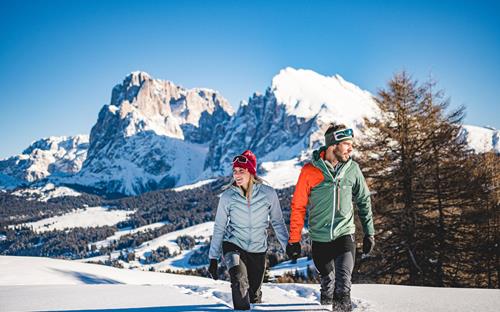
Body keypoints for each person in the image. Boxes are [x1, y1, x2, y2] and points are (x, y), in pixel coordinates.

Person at [286, 123, 375, 312]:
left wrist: (369, 233)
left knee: (343, 284)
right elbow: (298, 206)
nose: (351, 148)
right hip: (320, 239)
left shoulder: (353, 169)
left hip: (345, 234)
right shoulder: (310, 171)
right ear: (333, 145)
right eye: (346, 144)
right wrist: (294, 240)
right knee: (329, 282)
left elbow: (364, 200)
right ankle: (325, 305)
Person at [208, 150, 289, 310]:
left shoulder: (268, 194)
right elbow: (219, 226)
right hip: (233, 245)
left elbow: (277, 221)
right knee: (239, 282)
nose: (237, 175)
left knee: (253, 296)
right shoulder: (228, 197)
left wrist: (288, 246)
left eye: (241, 171)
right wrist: (213, 257)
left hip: (258, 250)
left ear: (251, 172)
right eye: (235, 171)